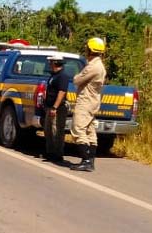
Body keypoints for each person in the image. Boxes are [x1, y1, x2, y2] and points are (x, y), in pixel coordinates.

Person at [70, 37, 107, 172]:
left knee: (78, 129)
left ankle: (86, 160)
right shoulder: (100, 65)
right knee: (90, 130)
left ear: (90, 49)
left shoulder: (93, 66)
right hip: (93, 100)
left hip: (86, 101)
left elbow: (77, 80)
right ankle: (90, 161)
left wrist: (77, 76)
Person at [43, 53, 70, 164]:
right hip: (50, 107)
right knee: (48, 130)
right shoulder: (53, 75)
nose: (49, 64)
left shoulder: (62, 76)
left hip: (57, 108)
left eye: (51, 62)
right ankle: (50, 152)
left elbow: (62, 92)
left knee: (56, 130)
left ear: (55, 63)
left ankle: (58, 154)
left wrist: (55, 107)